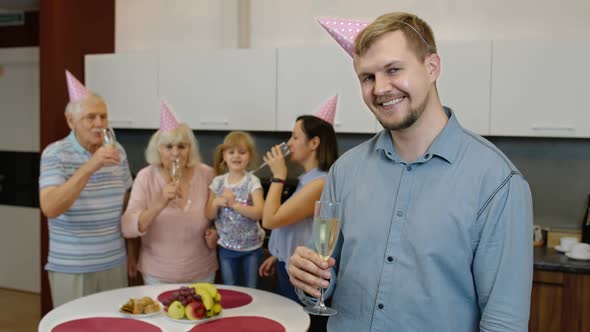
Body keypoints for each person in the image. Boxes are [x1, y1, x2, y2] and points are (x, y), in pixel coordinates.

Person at [288, 12, 534, 332]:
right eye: (367, 77)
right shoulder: (344, 172)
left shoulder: (498, 183)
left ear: (432, 67)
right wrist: (307, 280)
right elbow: (323, 282)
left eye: (393, 70)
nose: (380, 88)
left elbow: (504, 322)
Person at [39, 70, 135, 307]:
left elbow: (126, 205)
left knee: (115, 326)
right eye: (90, 117)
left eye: (103, 117)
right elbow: (50, 207)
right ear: (71, 121)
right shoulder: (55, 153)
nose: (99, 124)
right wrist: (90, 166)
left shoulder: (118, 152)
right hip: (73, 267)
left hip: (114, 263)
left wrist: (132, 252)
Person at [121, 101, 218, 285]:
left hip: (202, 273)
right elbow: (127, 227)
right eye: (168, 147)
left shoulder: (206, 174)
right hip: (157, 276)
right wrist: (158, 203)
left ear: (190, 149)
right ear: (159, 149)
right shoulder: (146, 177)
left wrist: (216, 232)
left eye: (182, 146)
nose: (176, 153)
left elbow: (220, 217)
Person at [259, 95, 339, 303]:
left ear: (314, 143)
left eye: (295, 137)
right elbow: (298, 226)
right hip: (288, 265)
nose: (289, 143)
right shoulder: (308, 180)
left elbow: (269, 220)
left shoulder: (319, 183)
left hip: (301, 273)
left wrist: (278, 175)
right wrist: (278, 254)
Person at [205, 131, 265, 288]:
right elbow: (208, 214)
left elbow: (259, 212)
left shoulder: (252, 181)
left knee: (253, 289)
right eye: (231, 152)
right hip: (226, 248)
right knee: (231, 287)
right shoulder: (217, 182)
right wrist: (215, 203)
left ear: (250, 156)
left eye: (242, 152)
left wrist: (236, 205)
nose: (236, 156)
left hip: (252, 247)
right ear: (224, 156)